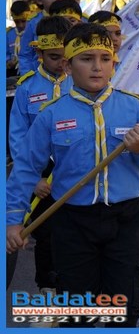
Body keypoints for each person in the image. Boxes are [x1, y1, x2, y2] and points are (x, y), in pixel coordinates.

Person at [6, 22, 139, 327]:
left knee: (126, 306)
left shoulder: (134, 108)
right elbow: (26, 168)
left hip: (125, 220)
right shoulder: (51, 114)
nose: (97, 67)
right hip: (72, 222)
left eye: (105, 59)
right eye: (86, 59)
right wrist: (13, 220)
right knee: (78, 310)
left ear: (113, 64)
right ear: (68, 66)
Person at [8, 16, 73, 295]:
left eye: (65, 57)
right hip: (42, 174)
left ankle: (71, 285)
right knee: (45, 232)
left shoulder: (79, 85)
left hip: (73, 170)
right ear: (39, 53)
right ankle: (46, 285)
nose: (60, 63)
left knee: (73, 232)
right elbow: (18, 138)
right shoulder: (27, 88)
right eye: (53, 57)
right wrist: (33, 178)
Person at [17, 0, 65, 76]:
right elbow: (25, 54)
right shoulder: (33, 22)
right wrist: (27, 76)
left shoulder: (71, 19)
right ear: (39, 0)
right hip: (39, 75)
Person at [6, 0, 30, 77]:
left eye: (23, 21)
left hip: (30, 70)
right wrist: (8, 61)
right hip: (13, 71)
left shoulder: (33, 33)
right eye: (17, 22)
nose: (20, 25)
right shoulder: (8, 34)